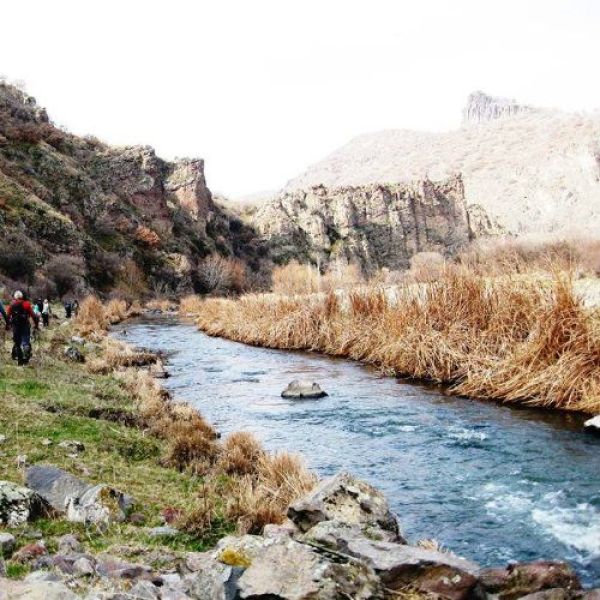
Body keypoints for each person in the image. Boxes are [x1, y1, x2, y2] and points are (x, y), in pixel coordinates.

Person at [6, 291, 39, 366]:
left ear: (15, 297)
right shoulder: (27, 304)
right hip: (25, 326)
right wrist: (36, 325)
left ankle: (20, 362)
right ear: (22, 296)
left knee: (17, 344)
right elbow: (33, 316)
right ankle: (26, 354)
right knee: (25, 342)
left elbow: (7, 316)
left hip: (16, 327)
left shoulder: (11, 304)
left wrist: (7, 325)